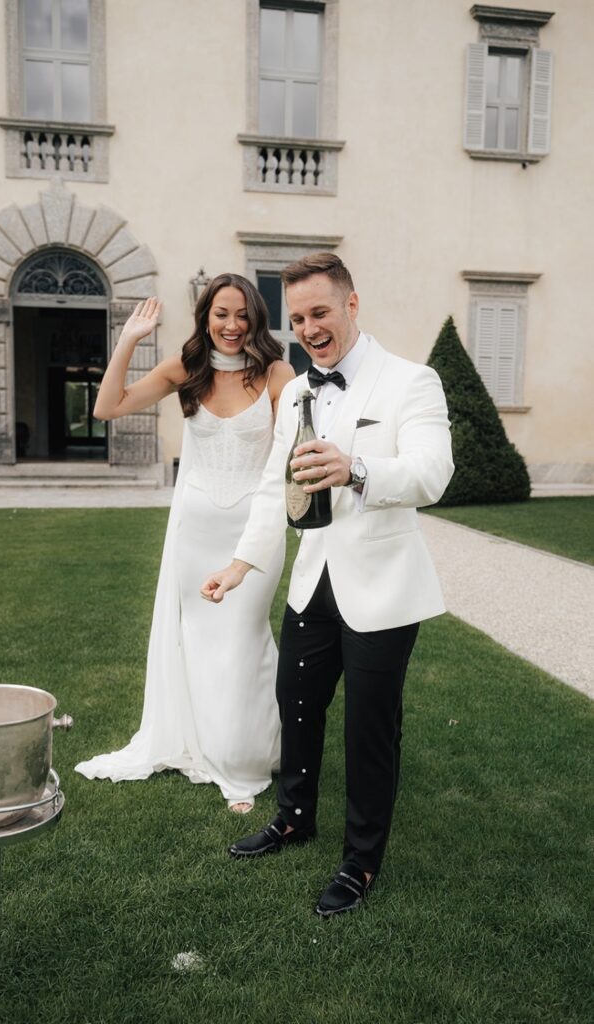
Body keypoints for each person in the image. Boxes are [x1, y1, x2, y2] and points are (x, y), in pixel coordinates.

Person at [201, 253, 454, 914]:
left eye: (319, 312)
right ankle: (293, 816)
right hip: (312, 583)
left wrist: (357, 469)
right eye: (298, 318)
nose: (309, 327)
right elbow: (270, 488)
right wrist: (241, 564)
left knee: (370, 728)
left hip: (385, 587)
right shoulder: (296, 392)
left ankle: (359, 863)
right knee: (298, 705)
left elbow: (432, 473)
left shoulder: (411, 381)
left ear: (351, 305)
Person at [75, 275, 295, 813]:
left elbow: (296, 446)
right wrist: (129, 337)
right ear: (205, 316)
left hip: (252, 532)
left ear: (256, 319)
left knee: (243, 639)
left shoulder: (276, 373)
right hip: (195, 530)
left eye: (242, 315)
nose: (232, 325)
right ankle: (202, 742)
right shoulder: (187, 367)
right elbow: (109, 407)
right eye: (221, 313)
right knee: (198, 641)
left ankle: (244, 758)